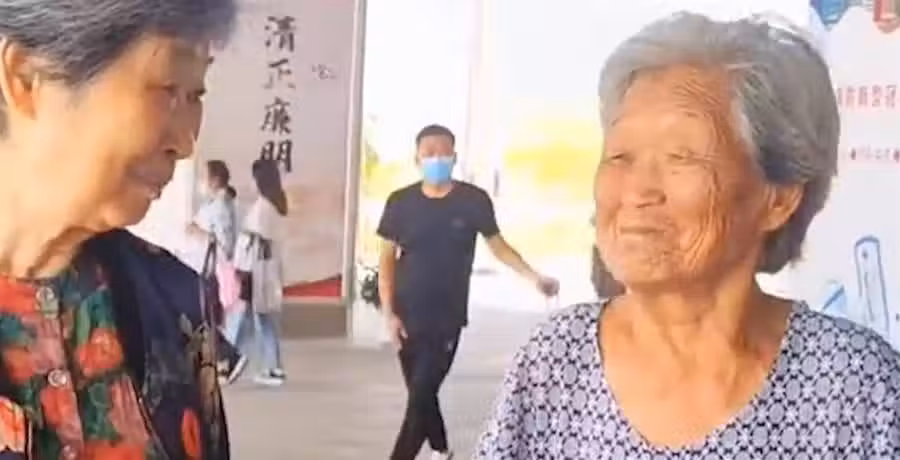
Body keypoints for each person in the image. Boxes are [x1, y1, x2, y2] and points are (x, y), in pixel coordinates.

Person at [476, 13, 900, 458]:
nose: (636, 190)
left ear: (777, 198)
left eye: (681, 157)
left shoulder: (857, 390)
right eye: (619, 156)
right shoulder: (554, 363)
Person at [0, 0, 236, 458]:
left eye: (196, 95)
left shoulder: (178, 303)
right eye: (167, 88)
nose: (186, 142)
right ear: (27, 76)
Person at [377, 124, 560, 460]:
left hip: (446, 316)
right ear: (416, 158)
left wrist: (534, 277)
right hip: (406, 315)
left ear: (454, 156)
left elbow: (499, 246)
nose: (436, 159)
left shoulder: (473, 201)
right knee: (422, 396)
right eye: (429, 153)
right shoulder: (400, 203)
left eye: (443, 152)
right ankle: (442, 449)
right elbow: (386, 261)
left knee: (420, 394)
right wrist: (389, 312)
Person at [187, 160, 248, 384]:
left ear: (214, 179)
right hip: (208, 267)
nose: (201, 182)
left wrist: (199, 232)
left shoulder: (221, 206)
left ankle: (228, 355)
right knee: (207, 317)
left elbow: (224, 242)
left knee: (205, 316)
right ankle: (223, 358)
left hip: (213, 268)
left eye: (204, 177)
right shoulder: (217, 204)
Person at [228, 159, 288, 387]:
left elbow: (253, 241)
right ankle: (269, 365)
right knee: (260, 318)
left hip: (256, 271)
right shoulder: (275, 205)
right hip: (265, 271)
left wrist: (239, 264)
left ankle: (235, 360)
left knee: (254, 317)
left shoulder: (263, 208)